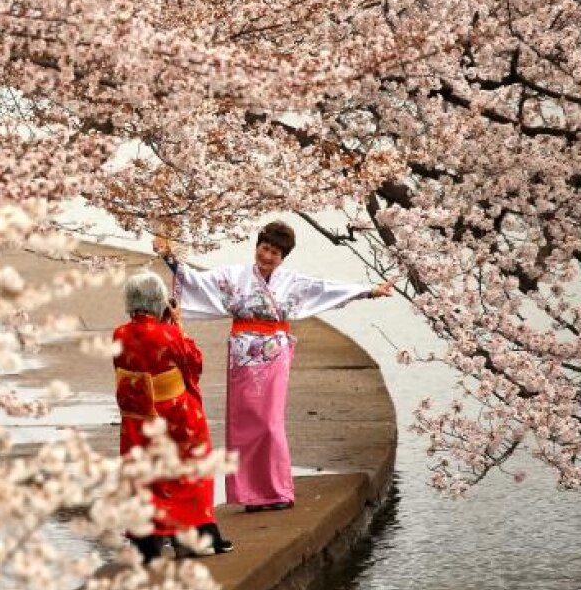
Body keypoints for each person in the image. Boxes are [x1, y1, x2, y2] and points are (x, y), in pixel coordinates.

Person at [154, 221, 393, 513]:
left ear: (283, 257)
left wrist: (368, 291)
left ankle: (276, 489)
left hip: (274, 352)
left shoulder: (291, 282)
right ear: (257, 246)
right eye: (265, 248)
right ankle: (249, 493)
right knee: (243, 424)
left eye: (275, 253)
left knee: (270, 422)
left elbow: (324, 290)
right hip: (243, 351)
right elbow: (196, 282)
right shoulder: (233, 275)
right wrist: (169, 257)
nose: (267, 256)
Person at [113, 271, 232, 562]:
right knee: (189, 470)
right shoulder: (170, 333)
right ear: (160, 301)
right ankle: (189, 536)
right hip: (174, 412)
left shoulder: (119, 333)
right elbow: (194, 363)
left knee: (147, 475)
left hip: (138, 413)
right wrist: (178, 323)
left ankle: (147, 542)